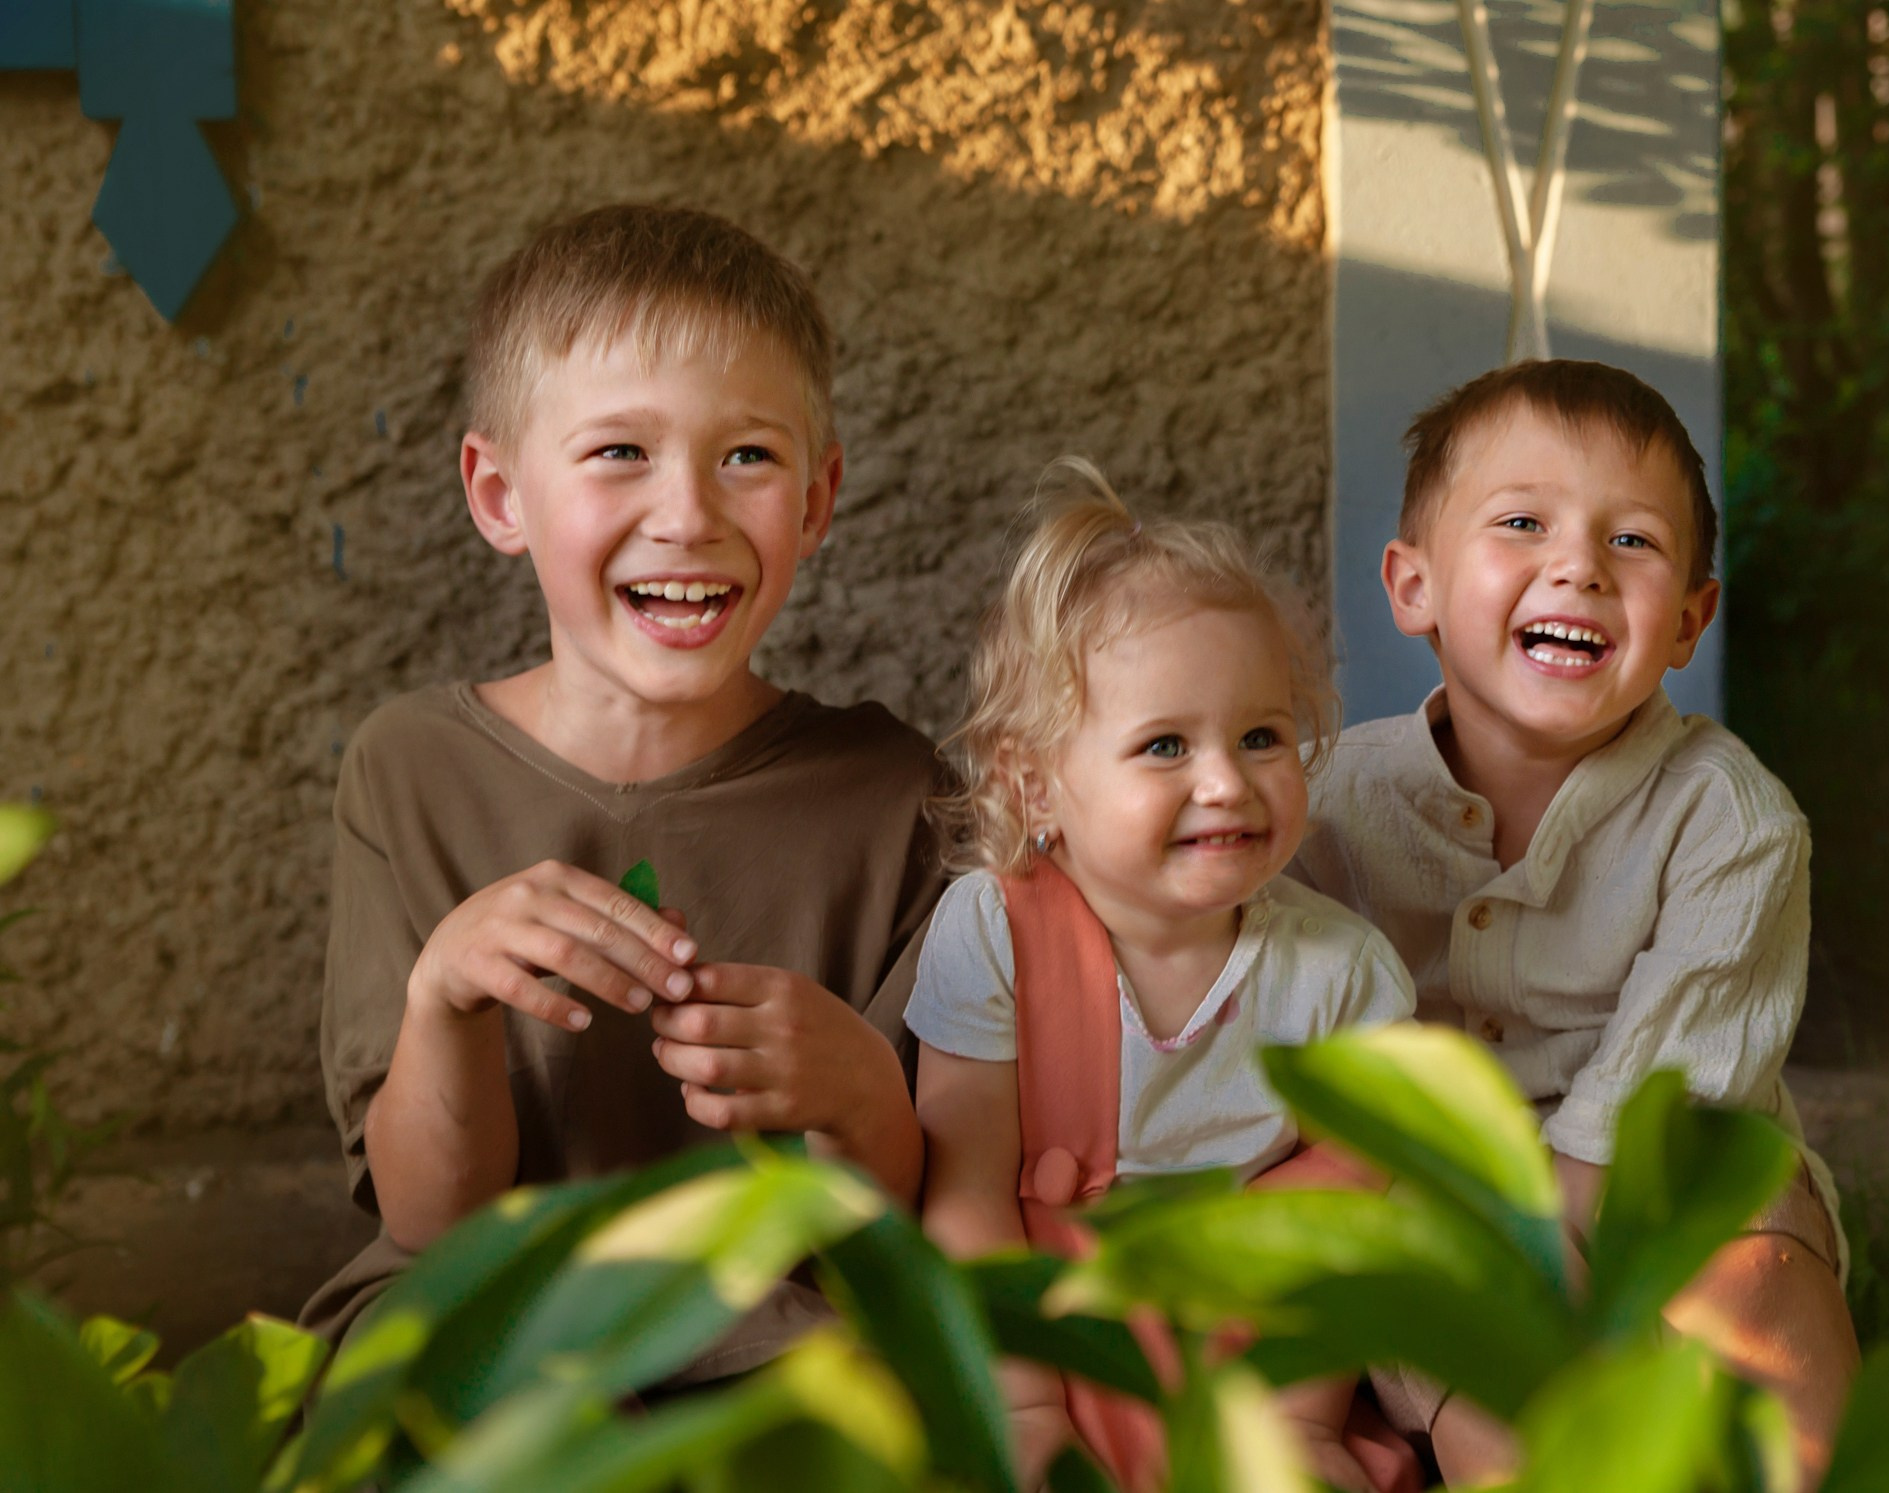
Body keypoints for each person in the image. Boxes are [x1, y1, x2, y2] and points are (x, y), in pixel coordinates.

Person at [300, 205, 945, 1385]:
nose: (688, 514)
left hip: (772, 1335)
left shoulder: (897, 796)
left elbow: (894, 1229)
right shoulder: (410, 772)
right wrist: (445, 994)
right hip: (489, 1322)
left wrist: (861, 1093)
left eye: (747, 455)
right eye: (618, 452)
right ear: (500, 494)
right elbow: (429, 1222)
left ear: (816, 499)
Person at [1293, 359, 1861, 1485]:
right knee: (1498, 1367)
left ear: (1689, 619)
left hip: (1665, 1169)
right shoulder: (1325, 804)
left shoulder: (1730, 819)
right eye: (1522, 522)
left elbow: (1668, 1102)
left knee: (1751, 1273)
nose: (1579, 566)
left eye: (1632, 541)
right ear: (1413, 585)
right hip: (1448, 1198)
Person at [909, 463, 1418, 1493]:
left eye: (1261, 735)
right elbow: (966, 1191)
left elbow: (1346, 1224)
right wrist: (1020, 1405)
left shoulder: (1340, 971)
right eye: (1165, 745)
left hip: (1254, 1336)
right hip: (1052, 1323)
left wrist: (1301, 1419)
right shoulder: (993, 930)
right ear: (1033, 784)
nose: (1225, 781)